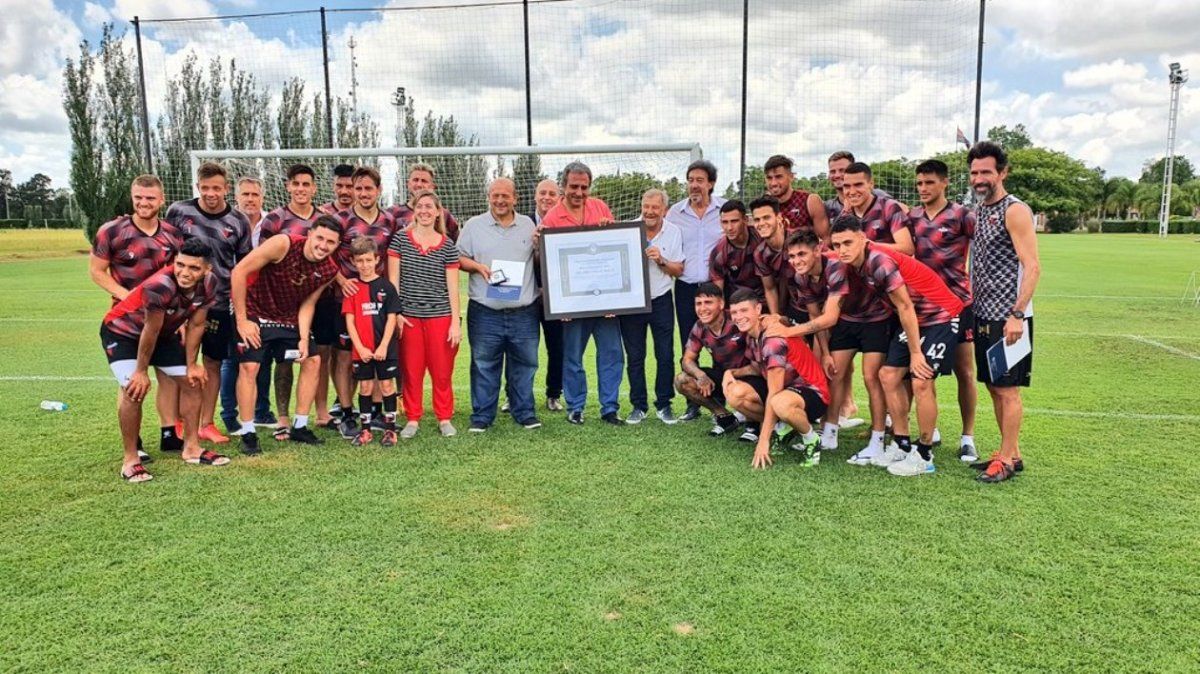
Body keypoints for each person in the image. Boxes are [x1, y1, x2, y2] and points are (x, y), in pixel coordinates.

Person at [766, 215, 962, 472]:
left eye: (848, 243)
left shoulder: (878, 261)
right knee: (888, 376)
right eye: (837, 245)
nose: (842, 250)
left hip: (940, 313)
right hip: (912, 318)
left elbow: (904, 306)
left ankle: (923, 455)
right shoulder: (845, 265)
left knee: (920, 379)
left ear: (863, 239)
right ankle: (901, 444)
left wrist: (916, 352)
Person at [101, 238, 230, 482]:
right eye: (180, 265)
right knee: (133, 389)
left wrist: (192, 364)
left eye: (193, 268)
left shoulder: (211, 283)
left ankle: (192, 448)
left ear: (207, 269)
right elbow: (149, 329)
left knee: (193, 382)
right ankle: (131, 459)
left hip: (164, 334)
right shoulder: (160, 285)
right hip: (123, 332)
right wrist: (140, 371)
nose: (184, 272)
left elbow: (197, 323)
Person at [230, 214, 344, 454]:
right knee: (249, 367)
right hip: (254, 311)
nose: (323, 245)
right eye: (320, 238)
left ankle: (300, 426)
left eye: (331, 242)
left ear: (337, 246)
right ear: (309, 234)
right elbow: (239, 272)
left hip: (288, 317)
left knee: (313, 360)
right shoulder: (283, 243)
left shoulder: (330, 269)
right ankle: (248, 432)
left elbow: (308, 303)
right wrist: (242, 320)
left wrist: (303, 338)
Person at [90, 174, 184, 462]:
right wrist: (129, 297)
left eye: (150, 198)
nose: (144, 203)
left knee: (172, 378)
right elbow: (96, 271)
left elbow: (179, 276)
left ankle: (170, 433)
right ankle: (136, 443)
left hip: (164, 323)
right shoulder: (112, 231)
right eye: (139, 198)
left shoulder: (172, 235)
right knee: (132, 384)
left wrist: (179, 320)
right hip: (126, 324)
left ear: (161, 199)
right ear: (132, 198)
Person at [967, 141, 1040, 483]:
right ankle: (1012, 452)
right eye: (974, 172)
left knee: (1007, 389)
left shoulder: (1015, 210)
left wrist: (1017, 314)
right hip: (984, 313)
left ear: (1002, 172)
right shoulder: (981, 209)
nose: (979, 178)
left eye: (986, 171)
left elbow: (1033, 266)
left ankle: (1007, 459)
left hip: (1008, 317)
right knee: (995, 387)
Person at [165, 161, 252, 446]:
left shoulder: (238, 221)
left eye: (217, 188)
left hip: (218, 303)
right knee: (179, 363)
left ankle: (206, 423)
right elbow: (166, 253)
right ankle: (177, 422)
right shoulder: (179, 212)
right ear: (197, 187)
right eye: (205, 188)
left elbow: (244, 267)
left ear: (227, 189)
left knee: (212, 363)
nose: (211, 193)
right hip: (181, 303)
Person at [540, 161, 623, 425]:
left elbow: (615, 251)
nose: (579, 192)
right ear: (563, 186)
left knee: (611, 353)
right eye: (573, 186)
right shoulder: (552, 217)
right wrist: (559, 303)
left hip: (605, 299)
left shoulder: (600, 207)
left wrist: (611, 229)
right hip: (573, 303)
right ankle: (575, 407)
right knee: (572, 356)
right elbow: (548, 264)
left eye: (584, 187)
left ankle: (609, 407)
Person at [457, 177, 542, 432]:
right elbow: (458, 258)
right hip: (485, 311)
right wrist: (477, 267)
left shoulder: (528, 225)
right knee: (483, 363)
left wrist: (539, 248)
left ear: (515, 198)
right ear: (489, 197)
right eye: (495, 195)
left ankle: (524, 412)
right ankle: (482, 415)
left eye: (505, 196)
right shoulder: (474, 226)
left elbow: (539, 260)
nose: (500, 200)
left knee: (525, 364)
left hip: (524, 312)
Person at [909, 159, 979, 461]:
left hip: (958, 303)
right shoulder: (912, 217)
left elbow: (984, 248)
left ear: (945, 182)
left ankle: (968, 437)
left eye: (929, 182)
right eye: (920, 183)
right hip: (925, 307)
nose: (923, 188)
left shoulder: (962, 215)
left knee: (965, 370)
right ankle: (931, 429)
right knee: (926, 372)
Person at [721, 289, 829, 469]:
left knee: (779, 402)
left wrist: (763, 441)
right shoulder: (753, 333)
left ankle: (811, 438)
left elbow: (774, 391)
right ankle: (783, 427)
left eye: (744, 310)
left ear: (758, 310)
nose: (738, 317)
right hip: (787, 390)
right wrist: (731, 373)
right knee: (735, 393)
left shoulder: (773, 341)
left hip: (814, 392)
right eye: (734, 312)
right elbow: (758, 368)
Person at [387, 190, 462, 438]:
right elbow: (393, 281)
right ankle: (413, 418)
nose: (425, 211)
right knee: (412, 371)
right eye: (420, 206)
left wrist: (454, 323)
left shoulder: (447, 245)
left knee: (442, 372)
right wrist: (396, 313)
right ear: (414, 210)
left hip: (440, 316)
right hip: (409, 317)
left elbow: (453, 288)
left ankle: (444, 417)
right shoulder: (400, 240)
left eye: (430, 206)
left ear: (438, 211)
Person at [330, 166, 397, 439]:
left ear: (378, 190)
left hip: (379, 301)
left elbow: (393, 258)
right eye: (359, 188)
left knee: (380, 356)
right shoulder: (342, 220)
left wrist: (392, 292)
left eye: (369, 188)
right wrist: (341, 281)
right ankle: (347, 413)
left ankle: (379, 414)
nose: (363, 193)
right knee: (347, 357)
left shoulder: (389, 221)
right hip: (348, 300)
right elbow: (327, 254)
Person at [256, 164, 321, 436]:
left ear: (314, 188)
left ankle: (307, 417)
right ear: (288, 186)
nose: (301, 189)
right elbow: (262, 260)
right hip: (281, 304)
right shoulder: (274, 219)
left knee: (315, 357)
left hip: (318, 299)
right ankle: (282, 417)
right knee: (284, 361)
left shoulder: (324, 219)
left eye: (306, 184)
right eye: (296, 184)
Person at [620, 188, 684, 424]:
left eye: (655, 207)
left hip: (661, 298)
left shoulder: (673, 232)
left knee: (665, 354)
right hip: (632, 302)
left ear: (664, 209)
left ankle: (664, 404)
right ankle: (638, 405)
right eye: (646, 206)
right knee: (635, 355)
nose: (649, 211)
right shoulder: (626, 229)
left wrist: (661, 260)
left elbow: (679, 269)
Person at [666, 160, 726, 390]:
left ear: (711, 184)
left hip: (716, 287)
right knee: (688, 343)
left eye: (700, 180)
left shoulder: (724, 210)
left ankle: (722, 395)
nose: (694, 185)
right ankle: (693, 399)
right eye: (690, 180)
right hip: (686, 288)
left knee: (721, 344)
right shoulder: (675, 212)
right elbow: (654, 230)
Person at [224, 177, 276, 432]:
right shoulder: (229, 222)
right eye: (245, 194)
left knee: (262, 356)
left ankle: (262, 411)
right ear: (236, 197)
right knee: (234, 359)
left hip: (264, 300)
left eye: (255, 194)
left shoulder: (271, 223)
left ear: (262, 197)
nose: (250, 199)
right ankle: (229, 415)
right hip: (233, 297)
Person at [341, 237, 401, 447]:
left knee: (386, 385)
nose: (364, 265)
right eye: (359, 261)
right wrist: (360, 347)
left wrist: (384, 345)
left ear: (377, 259)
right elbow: (350, 321)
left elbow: (392, 318)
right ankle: (365, 430)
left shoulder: (387, 287)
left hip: (385, 348)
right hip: (362, 350)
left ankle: (390, 430)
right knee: (365, 387)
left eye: (368, 260)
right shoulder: (352, 289)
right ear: (353, 262)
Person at [674, 282, 749, 437]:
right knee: (682, 380)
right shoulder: (700, 326)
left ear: (721, 304)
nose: (702, 308)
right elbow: (687, 359)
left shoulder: (737, 319)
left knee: (742, 389)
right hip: (723, 377)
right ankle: (725, 417)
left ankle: (756, 422)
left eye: (708, 302)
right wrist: (701, 376)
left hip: (750, 377)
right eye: (698, 304)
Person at [532, 178, 565, 412]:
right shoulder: (522, 223)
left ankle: (554, 394)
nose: (546, 197)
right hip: (526, 297)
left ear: (559, 198)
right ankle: (513, 395)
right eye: (542, 193)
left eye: (552, 194)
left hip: (557, 299)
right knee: (521, 349)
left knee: (557, 348)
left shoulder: (565, 223)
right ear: (535, 196)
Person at [749, 196, 804, 321]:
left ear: (779, 217)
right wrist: (776, 318)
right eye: (757, 219)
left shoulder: (800, 239)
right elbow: (770, 288)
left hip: (819, 300)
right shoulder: (760, 253)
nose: (761, 223)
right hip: (794, 304)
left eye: (766, 217)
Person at [841, 162, 915, 254]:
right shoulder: (845, 215)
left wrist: (869, 246)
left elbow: (907, 248)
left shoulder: (889, 207)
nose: (852, 192)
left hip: (888, 266)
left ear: (871, 184)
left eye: (858, 185)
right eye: (847, 186)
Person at [824, 150, 909, 220]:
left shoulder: (876, 194)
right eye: (832, 171)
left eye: (842, 170)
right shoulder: (829, 207)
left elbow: (905, 210)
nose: (837, 175)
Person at [388, 162, 461, 241]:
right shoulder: (393, 213)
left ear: (432, 186)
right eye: (415, 180)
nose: (419, 184)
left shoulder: (443, 215)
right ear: (408, 184)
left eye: (424, 181)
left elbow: (457, 244)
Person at [707, 199, 763, 300]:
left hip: (767, 297)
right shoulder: (719, 253)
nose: (729, 228)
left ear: (745, 220)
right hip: (739, 303)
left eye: (734, 221)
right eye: (725, 222)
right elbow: (718, 292)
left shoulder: (762, 238)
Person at [763, 154, 829, 239]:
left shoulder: (809, 201)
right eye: (769, 178)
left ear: (791, 177)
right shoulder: (764, 205)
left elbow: (826, 239)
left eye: (778, 177)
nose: (773, 183)